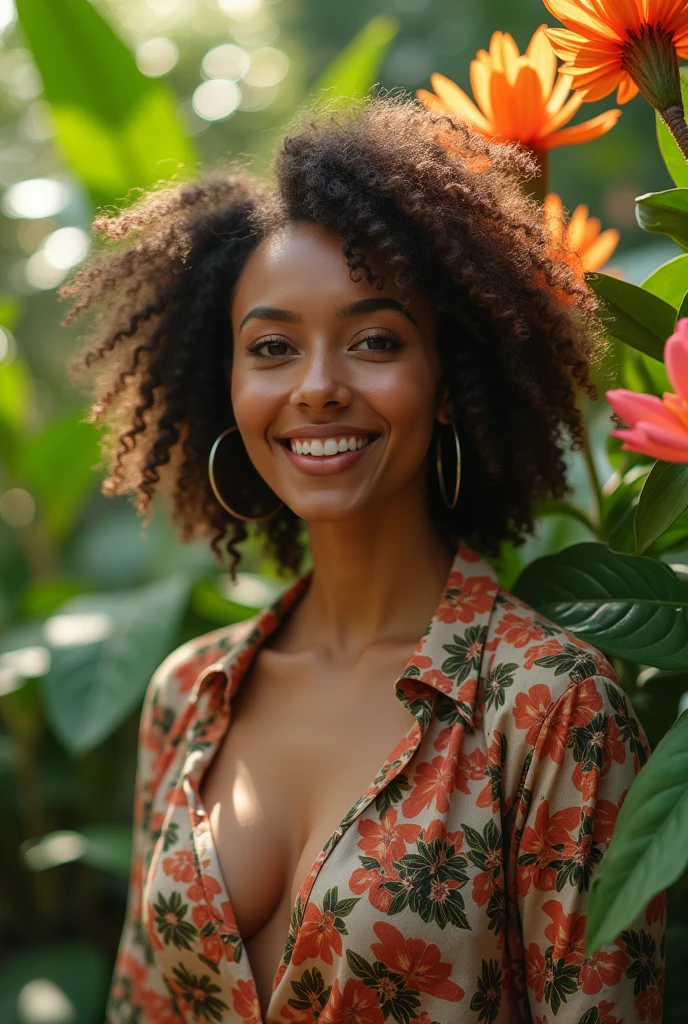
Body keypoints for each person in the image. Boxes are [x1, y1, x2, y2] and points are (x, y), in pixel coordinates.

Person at [65, 93, 664, 1024]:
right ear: (228, 385)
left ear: (453, 381)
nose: (317, 387)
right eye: (271, 347)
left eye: (375, 341)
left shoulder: (550, 710)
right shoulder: (188, 696)